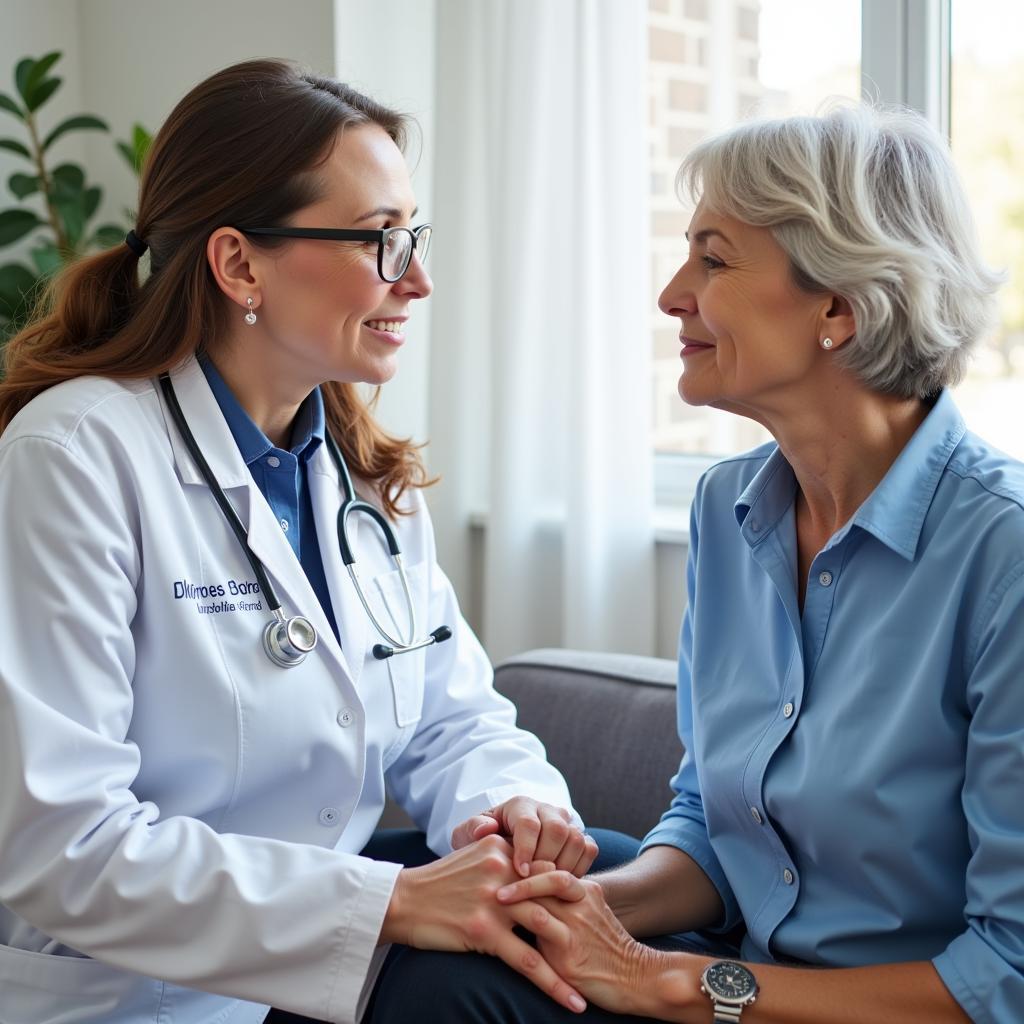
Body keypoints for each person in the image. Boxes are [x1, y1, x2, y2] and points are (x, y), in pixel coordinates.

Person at [365, 105, 1024, 1023]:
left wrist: (664, 981)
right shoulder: (732, 508)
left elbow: (1008, 976)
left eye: (713, 260)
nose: (673, 293)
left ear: (839, 305)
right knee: (434, 927)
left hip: (847, 1005)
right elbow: (719, 825)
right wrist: (590, 913)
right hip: (736, 971)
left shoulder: (1005, 554)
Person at [0, 58, 609, 1024]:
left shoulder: (364, 474)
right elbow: (60, 843)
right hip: (144, 999)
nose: (418, 278)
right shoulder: (75, 455)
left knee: (598, 880)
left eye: (413, 235)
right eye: (380, 241)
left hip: (329, 959)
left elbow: (456, 719)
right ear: (240, 263)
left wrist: (510, 810)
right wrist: (395, 901)